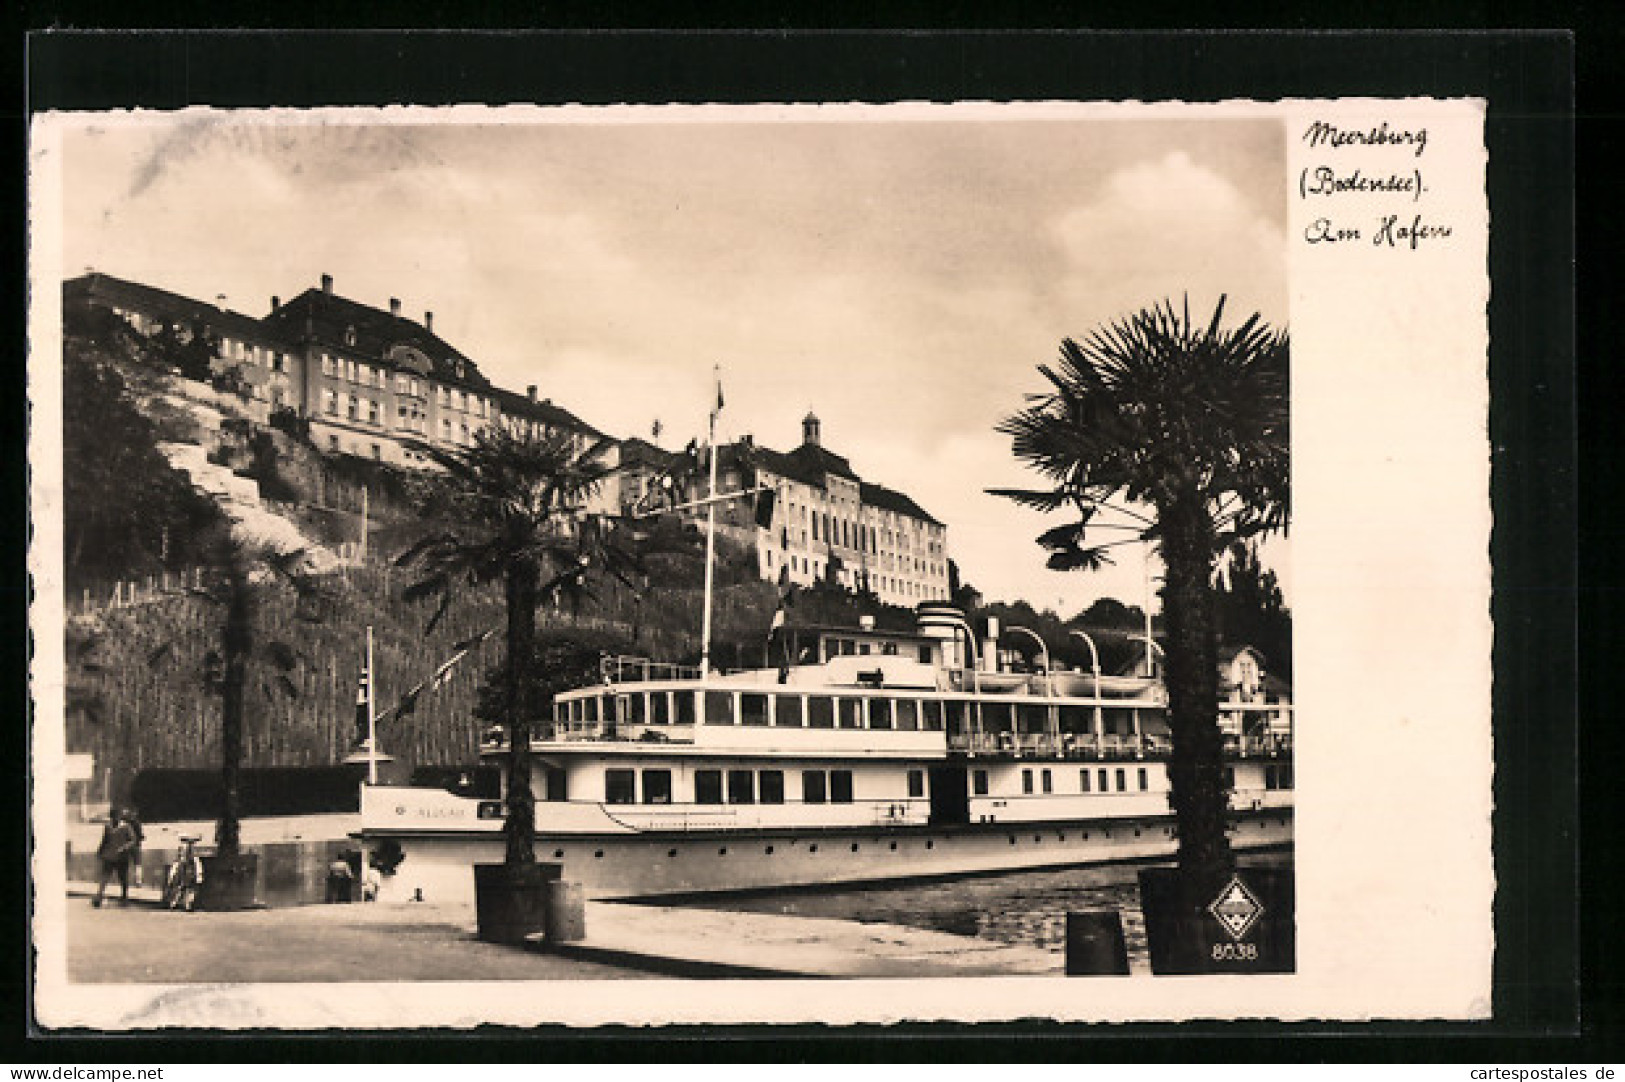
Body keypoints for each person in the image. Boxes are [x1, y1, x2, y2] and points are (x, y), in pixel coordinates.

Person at [91, 807, 138, 907]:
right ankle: (99, 896)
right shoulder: (108, 827)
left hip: (122, 856)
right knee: (105, 876)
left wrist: (125, 847)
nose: (114, 819)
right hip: (109, 855)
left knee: (123, 877)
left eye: (116, 817)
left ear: (119, 817)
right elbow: (104, 840)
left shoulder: (126, 827)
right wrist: (99, 851)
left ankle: (124, 896)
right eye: (112, 817)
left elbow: (133, 840)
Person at [162, 834, 204, 911]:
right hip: (184, 875)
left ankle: (184, 904)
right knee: (182, 888)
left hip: (189, 875)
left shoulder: (193, 861)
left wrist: (198, 876)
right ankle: (176, 903)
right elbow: (176, 868)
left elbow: (197, 867)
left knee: (187, 889)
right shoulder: (182, 862)